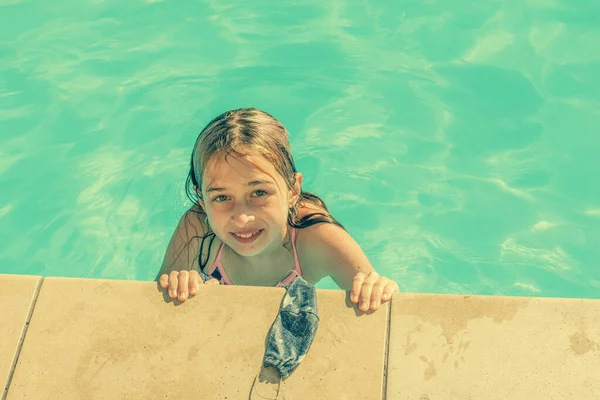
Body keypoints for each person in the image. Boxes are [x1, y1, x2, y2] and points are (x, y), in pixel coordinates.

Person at [156, 108, 399, 313]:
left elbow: (375, 298)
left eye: (259, 192)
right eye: (221, 197)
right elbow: (155, 302)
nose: (242, 218)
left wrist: (378, 288)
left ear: (293, 190)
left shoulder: (319, 240)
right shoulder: (198, 228)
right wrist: (177, 282)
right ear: (202, 201)